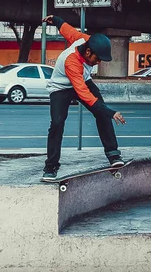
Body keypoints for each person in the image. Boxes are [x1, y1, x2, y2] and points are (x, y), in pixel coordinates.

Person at [41, 15, 127, 181]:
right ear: (88, 52)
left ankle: (113, 155)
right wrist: (110, 112)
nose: (98, 63)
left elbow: (69, 31)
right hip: (61, 88)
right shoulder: (71, 62)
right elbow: (83, 94)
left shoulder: (86, 40)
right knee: (57, 123)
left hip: (83, 81)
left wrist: (57, 20)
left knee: (100, 113)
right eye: (97, 59)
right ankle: (51, 167)